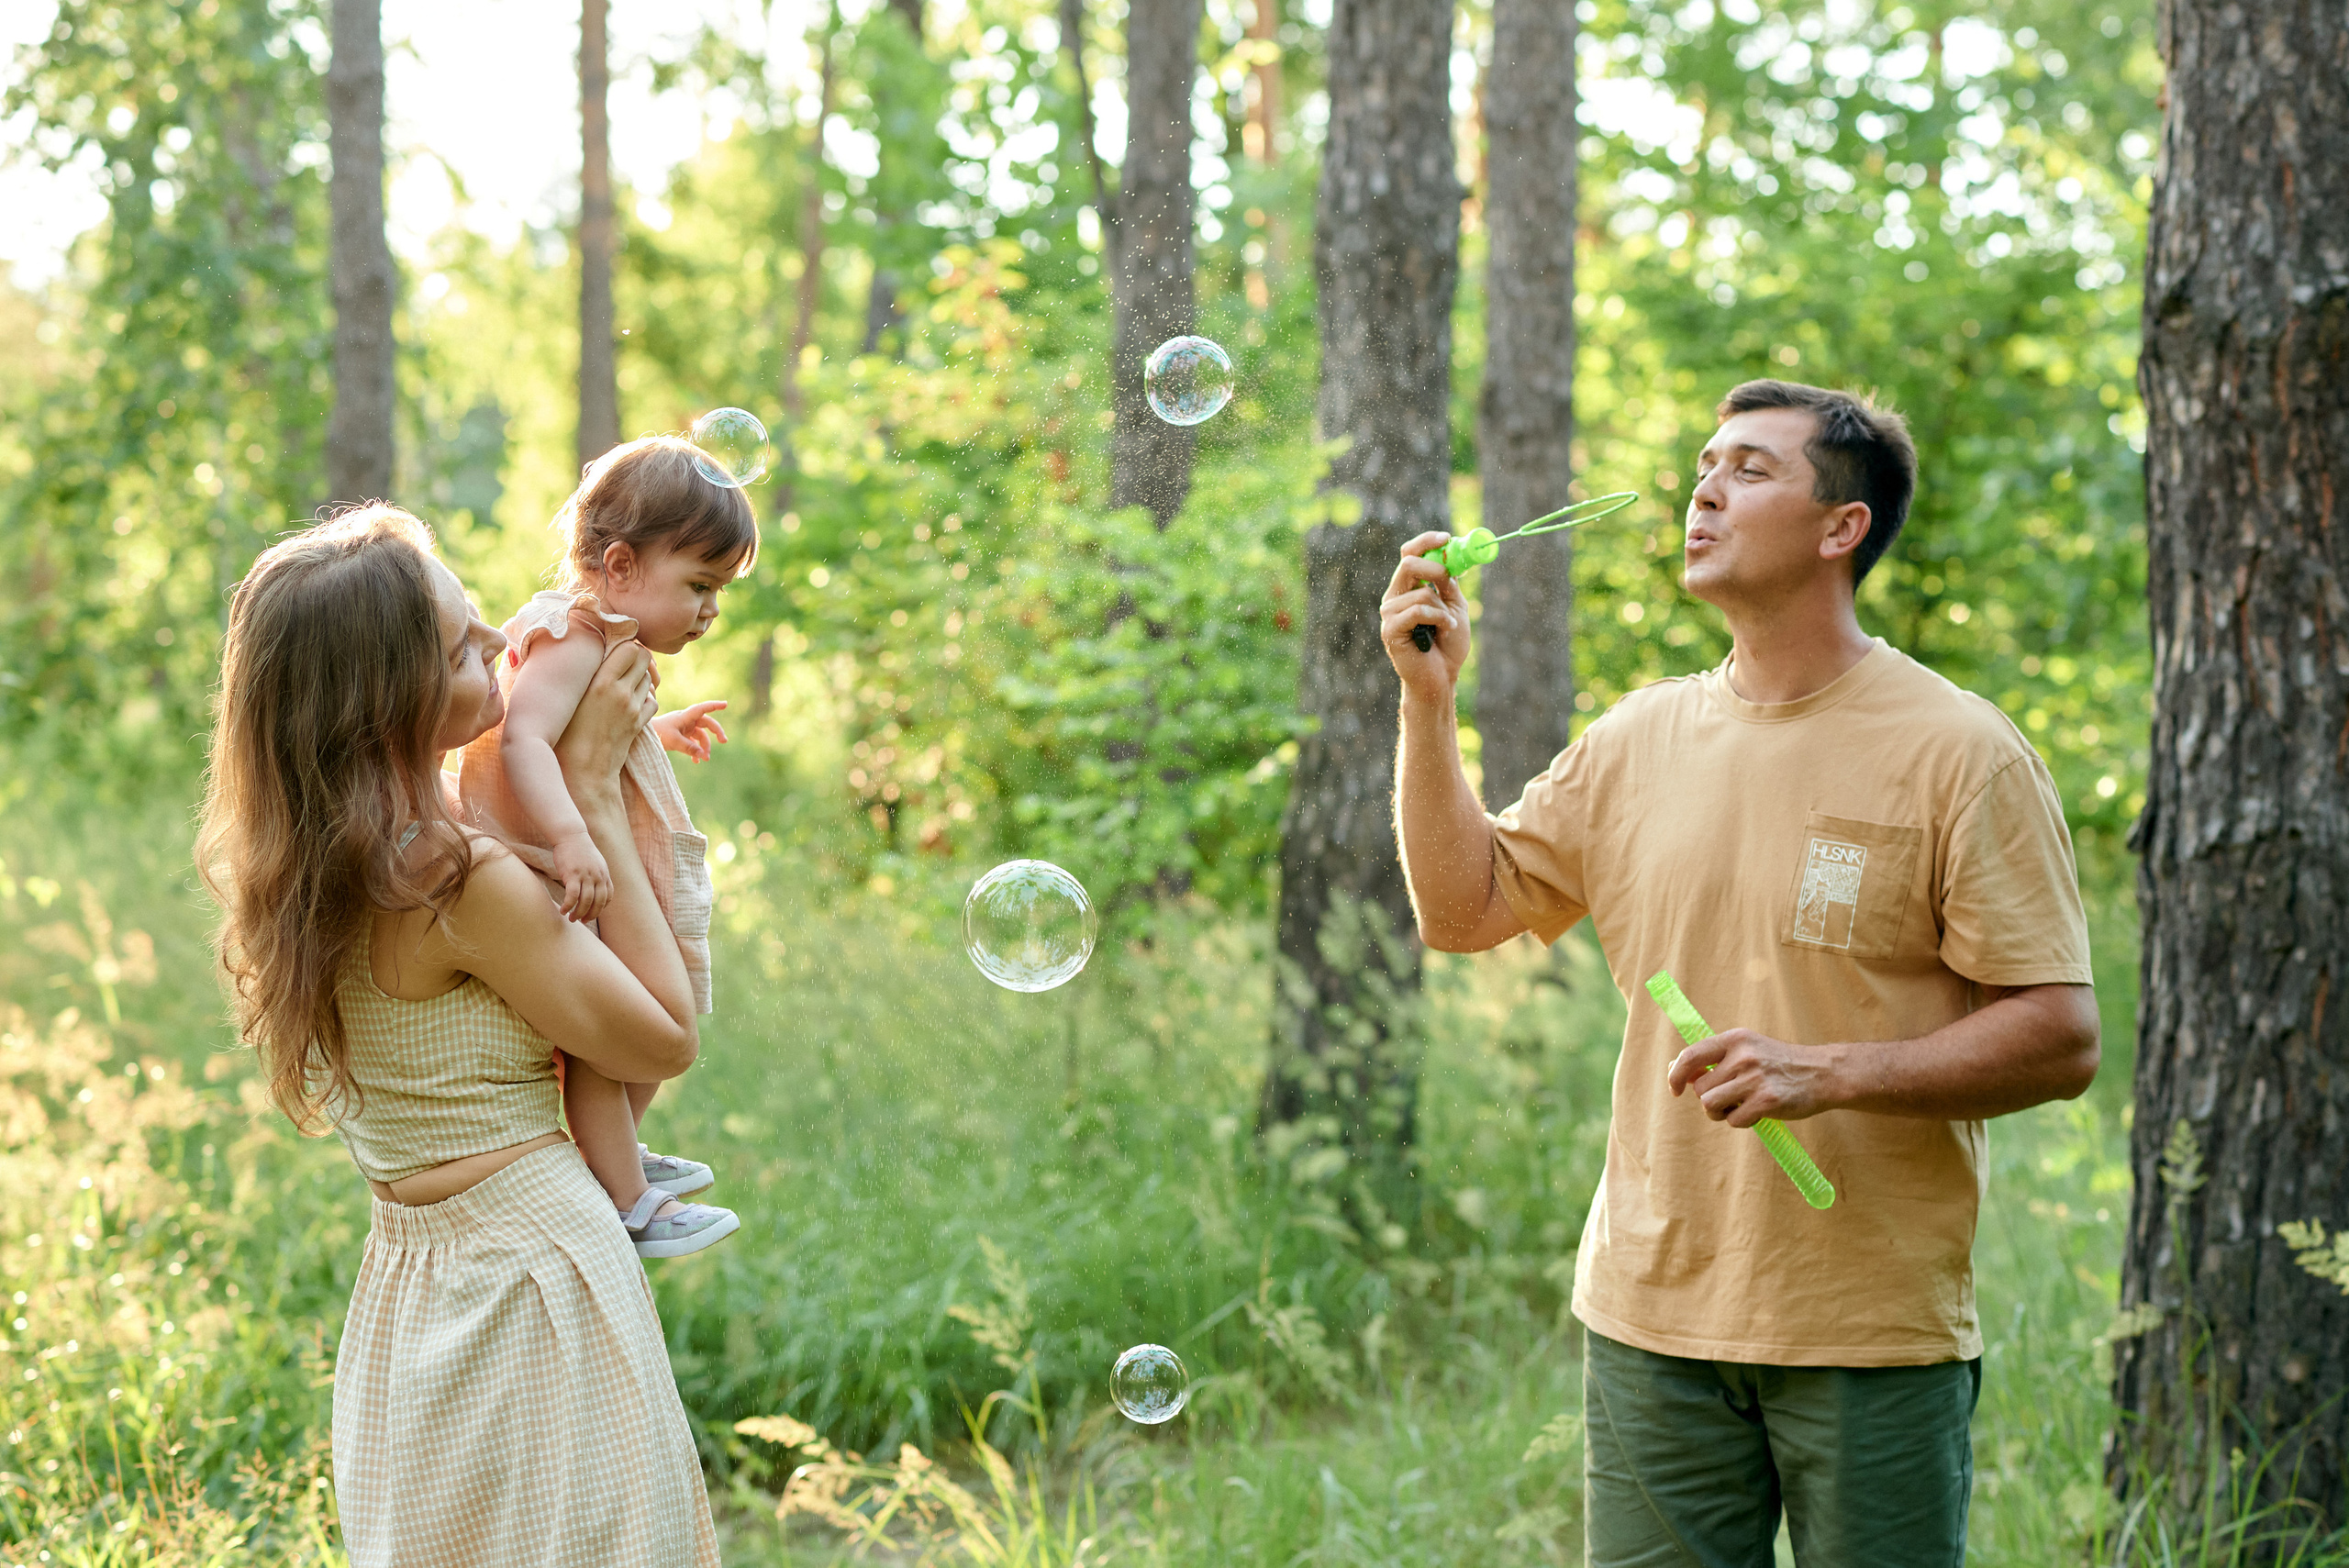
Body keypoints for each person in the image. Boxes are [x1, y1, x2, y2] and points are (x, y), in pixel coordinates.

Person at [1382, 380, 2100, 1566]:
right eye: (1706, 463)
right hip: (1650, 1317)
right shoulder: (1635, 740)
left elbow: (2062, 1037)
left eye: (1752, 468)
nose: (1705, 487)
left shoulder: (1961, 751)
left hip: (1871, 1332)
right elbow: (1464, 911)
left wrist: (1833, 1071)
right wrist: (1428, 704)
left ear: (1840, 527)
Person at [196, 506, 722, 1565]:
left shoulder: (312, 861)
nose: (498, 648)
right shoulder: (459, 879)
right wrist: (593, 802)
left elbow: (489, 761)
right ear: (380, 699)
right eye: (461, 648)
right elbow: (663, 1037)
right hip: (534, 1277)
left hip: (411, 1286)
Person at [457, 437, 747, 1258]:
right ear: (620, 566)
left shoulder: (608, 643)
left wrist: (655, 730)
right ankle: (625, 1197)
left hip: (571, 853)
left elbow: (590, 733)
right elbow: (525, 742)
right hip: (548, 865)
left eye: (718, 592)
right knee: (608, 1026)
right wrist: (572, 835)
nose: (709, 610)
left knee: (655, 1001)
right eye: (699, 584)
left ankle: (615, 1143)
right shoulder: (572, 635)